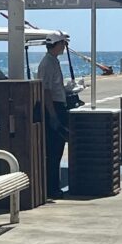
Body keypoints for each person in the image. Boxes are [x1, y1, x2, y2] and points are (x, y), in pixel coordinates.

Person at [37, 32, 70, 199]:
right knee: (53, 150)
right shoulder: (47, 63)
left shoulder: (53, 61)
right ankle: (52, 187)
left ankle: (54, 186)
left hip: (58, 105)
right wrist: (52, 115)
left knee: (58, 150)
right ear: (57, 44)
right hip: (53, 107)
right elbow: (46, 91)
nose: (64, 46)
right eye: (63, 43)